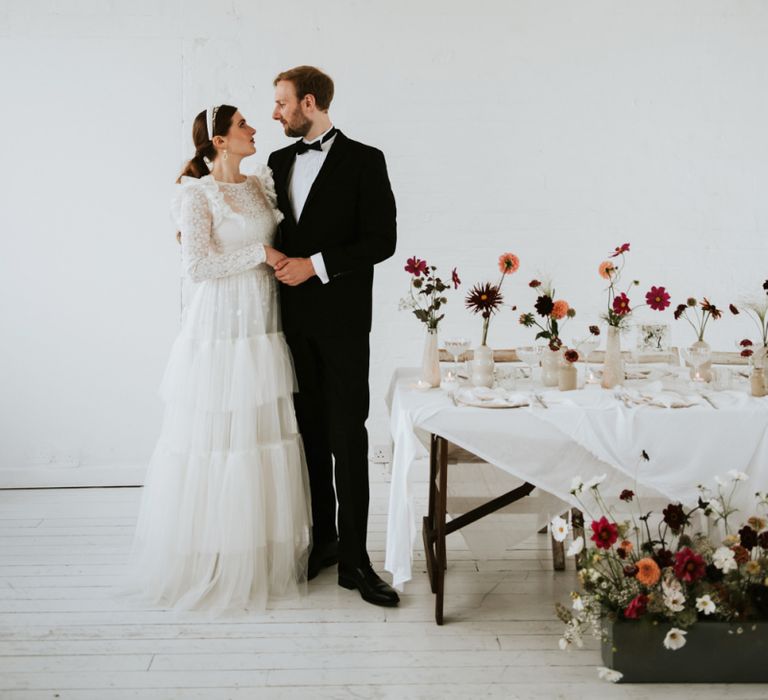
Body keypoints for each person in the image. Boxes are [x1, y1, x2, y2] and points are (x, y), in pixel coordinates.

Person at [130, 105, 311, 611]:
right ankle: (212, 558)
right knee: (215, 438)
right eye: (243, 126)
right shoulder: (197, 194)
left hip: (262, 323)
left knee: (257, 435)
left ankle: (254, 552)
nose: (254, 129)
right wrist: (260, 255)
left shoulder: (259, 185)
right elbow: (198, 266)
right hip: (221, 326)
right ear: (220, 140)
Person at [267, 66, 399, 606]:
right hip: (289, 324)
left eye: (282, 103)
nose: (275, 113)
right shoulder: (276, 163)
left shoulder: (365, 160)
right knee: (309, 436)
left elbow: (382, 240)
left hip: (343, 325)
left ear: (310, 102)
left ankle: (356, 559)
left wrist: (315, 265)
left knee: (348, 436)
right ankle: (323, 543)